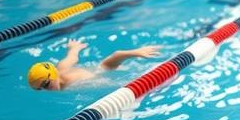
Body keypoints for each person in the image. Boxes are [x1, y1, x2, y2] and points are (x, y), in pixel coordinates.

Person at [27, 39, 161, 91]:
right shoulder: (61, 66)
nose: (46, 89)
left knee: (110, 64)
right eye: (40, 88)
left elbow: (100, 82)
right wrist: (73, 47)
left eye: (45, 84)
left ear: (54, 74)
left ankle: (136, 52)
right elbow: (72, 57)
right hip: (96, 67)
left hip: (102, 71)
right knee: (108, 63)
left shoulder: (71, 82)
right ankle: (133, 53)